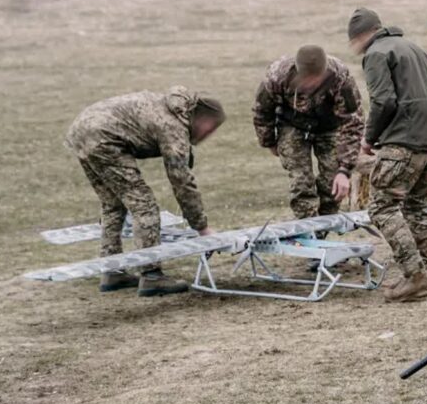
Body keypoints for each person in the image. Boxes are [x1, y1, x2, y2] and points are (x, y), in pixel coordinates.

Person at [65, 87, 225, 296]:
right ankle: (151, 275)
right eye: (210, 128)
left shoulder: (170, 110)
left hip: (82, 130)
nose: (209, 134)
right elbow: (181, 180)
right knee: (144, 205)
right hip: (104, 138)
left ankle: (112, 270)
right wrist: (202, 228)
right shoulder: (173, 126)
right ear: (200, 118)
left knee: (113, 204)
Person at [347, 8, 427, 302]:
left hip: (406, 138)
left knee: (382, 207)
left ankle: (416, 277)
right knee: (416, 206)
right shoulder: (415, 48)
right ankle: (419, 273)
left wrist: (369, 139)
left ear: (360, 36)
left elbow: (383, 101)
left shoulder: (377, 52)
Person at [252, 45, 364, 218]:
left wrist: (344, 169)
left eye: (317, 79)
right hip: (293, 126)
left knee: (332, 185)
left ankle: (320, 233)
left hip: (329, 127)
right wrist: (269, 142)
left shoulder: (340, 76)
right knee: (301, 183)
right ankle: (307, 230)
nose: (313, 84)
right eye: (307, 79)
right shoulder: (278, 75)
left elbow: (353, 121)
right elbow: (262, 111)